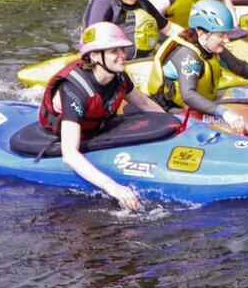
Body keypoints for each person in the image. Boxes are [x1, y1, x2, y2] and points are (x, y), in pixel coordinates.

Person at [38, 22, 166, 212]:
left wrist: (179, 126)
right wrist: (112, 187)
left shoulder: (119, 77)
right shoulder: (74, 90)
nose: (123, 55)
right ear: (95, 55)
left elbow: (145, 105)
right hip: (66, 136)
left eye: (123, 49)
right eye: (114, 51)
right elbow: (70, 154)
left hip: (98, 126)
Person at [146, 0, 248, 135]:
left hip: (205, 98)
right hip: (173, 109)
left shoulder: (210, 47)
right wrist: (224, 113)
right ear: (202, 33)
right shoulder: (188, 57)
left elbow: (239, 67)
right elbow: (188, 95)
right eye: (221, 35)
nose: (226, 40)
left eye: (226, 34)